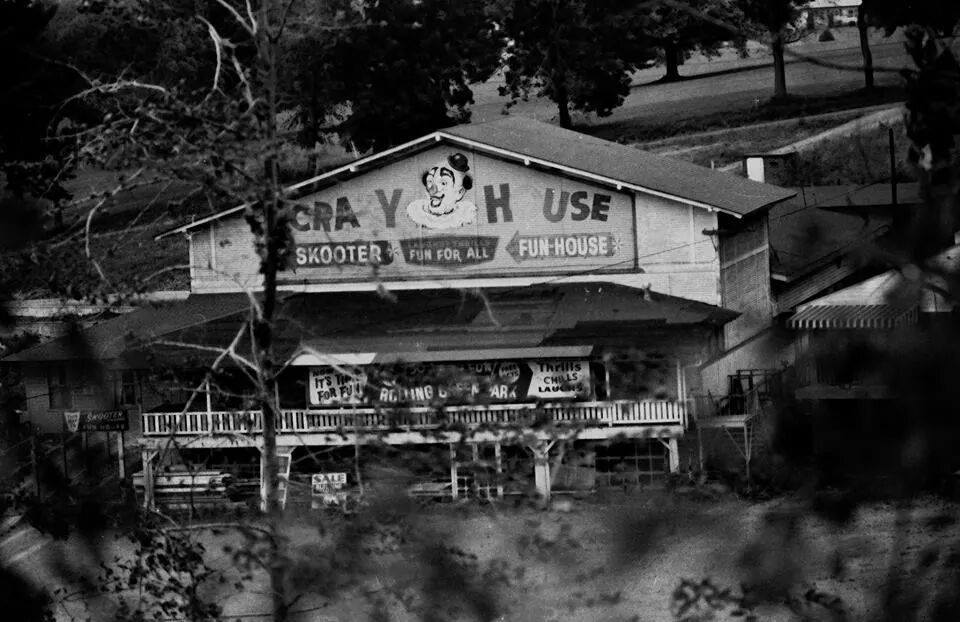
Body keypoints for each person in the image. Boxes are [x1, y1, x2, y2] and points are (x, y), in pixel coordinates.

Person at [406, 152, 477, 229]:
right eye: (430, 181)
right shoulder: (417, 214)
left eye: (443, 183)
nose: (433, 190)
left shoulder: (465, 216)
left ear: (460, 193)